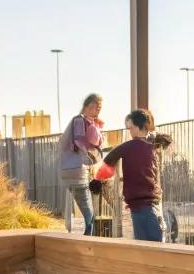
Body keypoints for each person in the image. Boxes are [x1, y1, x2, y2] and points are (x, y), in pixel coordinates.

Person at [99, 108, 172, 242]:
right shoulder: (153, 144)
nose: (130, 131)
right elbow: (167, 140)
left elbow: (109, 159)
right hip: (147, 204)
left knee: (142, 245)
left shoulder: (128, 146)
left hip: (141, 204)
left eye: (131, 128)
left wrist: (99, 179)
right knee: (156, 244)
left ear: (140, 127)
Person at [58, 94, 104, 235]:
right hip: (76, 170)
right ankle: (88, 240)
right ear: (87, 106)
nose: (98, 109)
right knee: (89, 215)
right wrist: (96, 130)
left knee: (83, 210)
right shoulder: (80, 120)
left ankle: (85, 237)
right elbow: (83, 140)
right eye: (96, 106)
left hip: (69, 169)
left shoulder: (80, 121)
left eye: (100, 107)